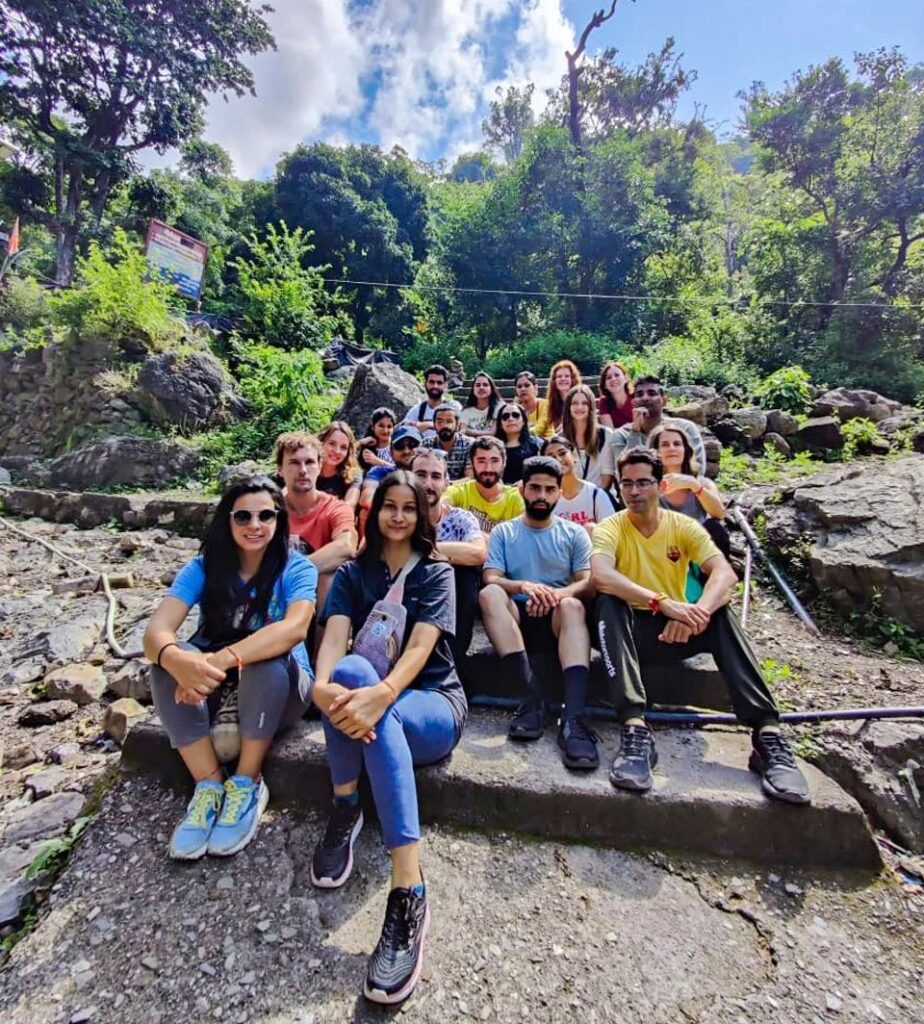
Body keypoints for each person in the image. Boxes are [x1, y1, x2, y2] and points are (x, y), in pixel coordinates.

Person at [310, 471, 466, 1004]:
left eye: (408, 508)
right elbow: (333, 636)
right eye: (388, 506)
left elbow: (422, 648)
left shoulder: (436, 573)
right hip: (368, 698)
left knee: (377, 703)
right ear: (374, 513)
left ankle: (408, 887)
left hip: (431, 704)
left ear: (421, 516)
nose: (397, 516)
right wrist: (322, 686)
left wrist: (384, 694)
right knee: (349, 673)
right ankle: (347, 805)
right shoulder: (356, 573)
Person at [590, 449, 810, 804]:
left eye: (643, 482)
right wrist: (662, 603)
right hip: (630, 629)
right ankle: (634, 729)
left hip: (678, 626)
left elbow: (725, 573)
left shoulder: (684, 527)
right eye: (627, 483)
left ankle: (767, 734)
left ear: (660, 485)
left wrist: (698, 614)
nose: (634, 491)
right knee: (607, 603)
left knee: (721, 614)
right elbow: (601, 574)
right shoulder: (611, 527)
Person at [144, 476, 316, 860]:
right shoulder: (204, 568)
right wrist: (177, 659)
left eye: (265, 516)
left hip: (282, 683)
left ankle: (247, 780)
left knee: (265, 652)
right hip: (217, 686)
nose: (255, 526)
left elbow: (294, 629)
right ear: (227, 520)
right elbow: (156, 631)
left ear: (278, 520)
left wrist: (221, 659)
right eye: (243, 517)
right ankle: (208, 784)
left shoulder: (296, 567)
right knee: (164, 663)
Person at [479, 456, 597, 768]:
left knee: (573, 604)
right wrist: (524, 587)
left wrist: (555, 594)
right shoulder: (505, 532)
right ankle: (531, 700)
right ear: (521, 489)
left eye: (549, 489)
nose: (541, 496)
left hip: (559, 620)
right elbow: (492, 576)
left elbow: (586, 582)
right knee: (490, 593)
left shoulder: (573, 534)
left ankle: (573, 719)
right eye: (535, 488)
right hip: (516, 618)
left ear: (559, 492)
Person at [412, 448, 487, 668]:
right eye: (420, 475)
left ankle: (452, 663)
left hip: (449, 596)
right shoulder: (396, 514)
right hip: (406, 592)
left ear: (447, 483)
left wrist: (420, 549)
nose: (428, 484)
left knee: (462, 573)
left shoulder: (460, 518)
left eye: (435, 476)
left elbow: (478, 552)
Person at [275, 432, 357, 615]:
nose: (303, 470)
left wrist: (293, 573)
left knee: (328, 577)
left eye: (310, 462)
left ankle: (323, 644)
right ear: (280, 469)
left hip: (311, 589)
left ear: (320, 466)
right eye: (294, 463)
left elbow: (347, 545)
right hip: (269, 590)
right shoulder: (268, 509)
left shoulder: (335, 508)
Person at [599, 375, 706, 492]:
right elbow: (626, 473)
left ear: (663, 401)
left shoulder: (685, 428)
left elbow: (698, 469)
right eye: (639, 394)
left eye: (652, 393)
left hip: (682, 492)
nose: (645, 398)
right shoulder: (621, 435)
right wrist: (635, 432)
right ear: (633, 403)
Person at [648, 423, 730, 559]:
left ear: (686, 450)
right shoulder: (647, 484)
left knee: (715, 528)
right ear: (655, 451)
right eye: (665, 445)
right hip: (664, 549)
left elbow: (719, 513)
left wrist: (695, 486)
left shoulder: (702, 483)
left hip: (697, 547)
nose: (672, 448)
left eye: (677, 444)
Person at [445, 437, 525, 534]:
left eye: (494, 461)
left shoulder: (516, 498)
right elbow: (442, 503)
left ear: (504, 462)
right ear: (472, 463)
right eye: (481, 461)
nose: (488, 468)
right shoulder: (460, 491)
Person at [542, 434, 617, 534]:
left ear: (574, 456)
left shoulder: (596, 495)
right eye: (552, 457)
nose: (558, 459)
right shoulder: (546, 501)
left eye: (562, 453)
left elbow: (611, 533)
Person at [358, 425, 423, 535]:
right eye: (400, 446)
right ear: (390, 452)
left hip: (420, 520)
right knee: (366, 512)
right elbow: (366, 499)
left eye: (413, 445)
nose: (406, 451)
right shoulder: (380, 471)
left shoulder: (428, 474)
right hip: (389, 520)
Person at [561, 383, 610, 487]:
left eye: (584, 403)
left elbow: (607, 475)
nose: (579, 407)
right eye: (574, 403)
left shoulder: (605, 435)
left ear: (591, 407)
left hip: (600, 496)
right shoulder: (560, 439)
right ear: (568, 407)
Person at [401, 364, 460, 439]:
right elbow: (403, 428)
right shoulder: (418, 410)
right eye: (432, 382)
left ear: (445, 385)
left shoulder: (454, 406)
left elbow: (461, 428)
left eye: (439, 383)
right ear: (425, 384)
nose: (435, 386)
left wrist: (426, 425)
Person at [421, 403, 473, 481]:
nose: (444, 425)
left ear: (457, 425)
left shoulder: (469, 444)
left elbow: (469, 478)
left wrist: (447, 487)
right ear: (434, 424)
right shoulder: (427, 444)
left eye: (449, 421)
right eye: (439, 422)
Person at [317, 421, 361, 510]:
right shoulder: (306, 469)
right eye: (332, 443)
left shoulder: (352, 475)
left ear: (348, 451)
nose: (337, 451)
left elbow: (350, 505)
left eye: (343, 447)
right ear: (321, 443)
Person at [495, 401, 541, 483]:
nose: (510, 419)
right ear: (500, 425)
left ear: (524, 421)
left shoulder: (537, 444)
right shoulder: (494, 447)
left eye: (516, 415)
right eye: (505, 416)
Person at [542, 359, 583, 435]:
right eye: (559, 376)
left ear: (572, 379)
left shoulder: (581, 400)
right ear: (554, 381)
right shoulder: (553, 404)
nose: (563, 379)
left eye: (567, 376)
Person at [460, 371, 503, 438]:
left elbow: (492, 433)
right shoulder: (466, 411)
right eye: (478, 385)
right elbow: (462, 432)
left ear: (491, 389)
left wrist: (469, 432)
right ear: (473, 389)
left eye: (485, 385)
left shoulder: (499, 407)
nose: (481, 387)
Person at [357, 407, 396, 474]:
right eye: (381, 426)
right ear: (373, 427)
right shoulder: (367, 446)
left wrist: (378, 462)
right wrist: (360, 442)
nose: (385, 430)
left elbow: (402, 471)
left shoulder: (398, 446)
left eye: (389, 427)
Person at [514, 371, 551, 438]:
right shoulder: (514, 409)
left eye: (527, 385)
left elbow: (540, 428)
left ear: (535, 387)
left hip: (547, 443)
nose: (523, 389)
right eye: (519, 386)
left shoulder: (545, 405)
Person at [597, 361, 634, 429]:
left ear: (625, 378)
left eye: (617, 375)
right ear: (604, 385)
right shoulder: (604, 402)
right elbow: (610, 432)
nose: (613, 379)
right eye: (608, 377)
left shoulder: (635, 397)